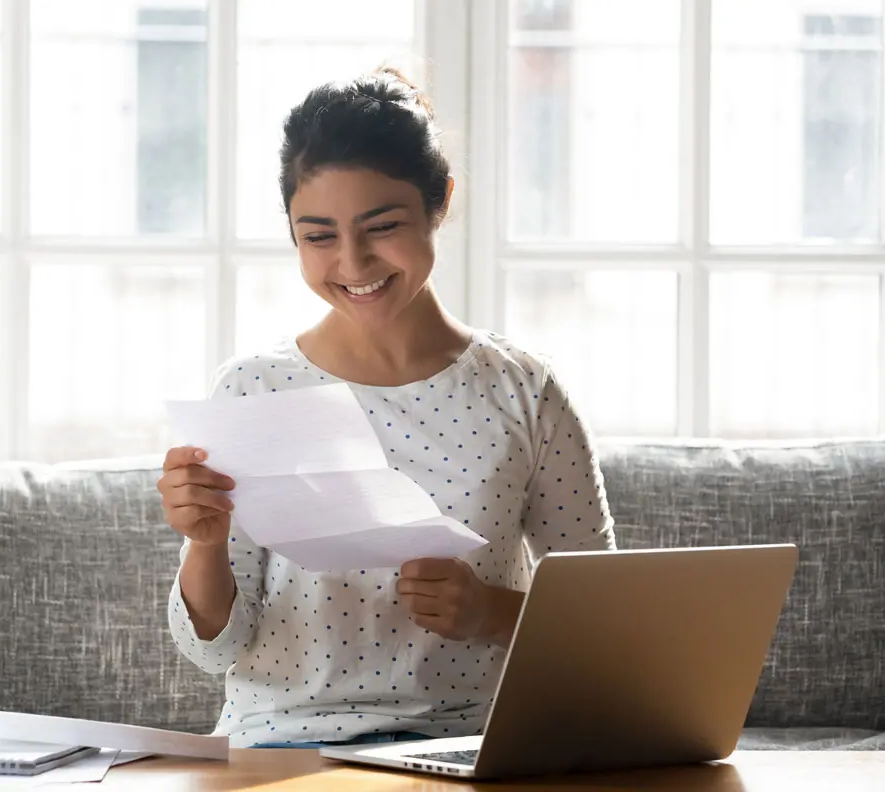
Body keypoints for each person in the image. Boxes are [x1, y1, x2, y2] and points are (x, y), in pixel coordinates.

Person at [158, 67, 616, 749]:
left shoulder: (524, 391)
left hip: (467, 745)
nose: (352, 262)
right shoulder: (253, 389)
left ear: (440, 203)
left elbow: (608, 630)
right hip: (284, 745)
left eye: (382, 226)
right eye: (317, 236)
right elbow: (214, 651)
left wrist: (491, 614)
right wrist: (204, 540)